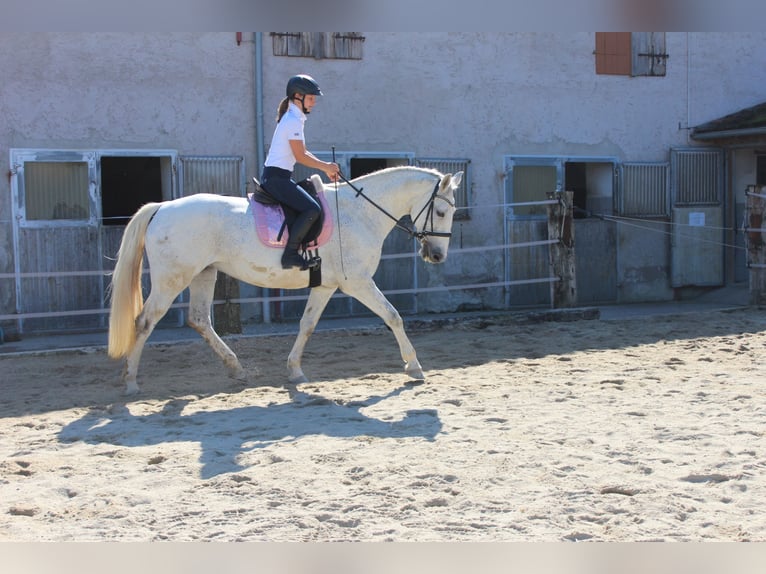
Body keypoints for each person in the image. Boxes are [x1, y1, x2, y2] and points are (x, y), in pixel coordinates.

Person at [261, 74, 340, 269]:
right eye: (311, 98)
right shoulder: (292, 121)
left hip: (278, 176)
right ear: (298, 96)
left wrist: (326, 167)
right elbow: (300, 156)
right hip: (276, 179)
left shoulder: (293, 118)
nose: (314, 103)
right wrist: (326, 167)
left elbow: (302, 151)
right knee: (312, 209)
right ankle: (290, 255)